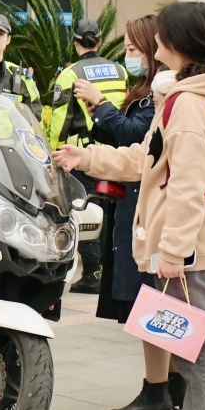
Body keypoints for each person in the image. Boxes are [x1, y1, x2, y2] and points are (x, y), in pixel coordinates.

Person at [53, 1, 205, 410]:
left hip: (184, 252)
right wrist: (89, 157)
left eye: (159, 35)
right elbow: (146, 159)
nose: (152, 43)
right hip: (174, 247)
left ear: (177, 41)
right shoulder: (178, 98)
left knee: (199, 352)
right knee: (189, 348)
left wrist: (172, 251)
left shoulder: (189, 105)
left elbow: (188, 185)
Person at [74, 15, 186, 410]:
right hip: (142, 212)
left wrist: (100, 105)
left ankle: (159, 390)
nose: (135, 56)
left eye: (140, 49)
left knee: (152, 301)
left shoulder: (169, 96)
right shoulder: (157, 92)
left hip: (152, 216)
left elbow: (138, 147)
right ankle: (173, 384)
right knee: (156, 300)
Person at [48, 18, 127, 294]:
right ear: (101, 41)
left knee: (85, 210)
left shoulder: (70, 74)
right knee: (111, 212)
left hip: (82, 156)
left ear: (75, 41)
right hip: (116, 153)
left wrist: (52, 152)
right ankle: (110, 271)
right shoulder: (120, 70)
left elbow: (61, 119)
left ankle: (93, 271)